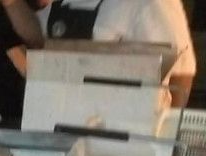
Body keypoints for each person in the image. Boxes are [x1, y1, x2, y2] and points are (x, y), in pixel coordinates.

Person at [34, 0, 196, 107]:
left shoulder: (151, 3)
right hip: (63, 120)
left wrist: (170, 135)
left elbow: (182, 71)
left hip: (129, 130)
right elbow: (35, 39)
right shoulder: (59, 3)